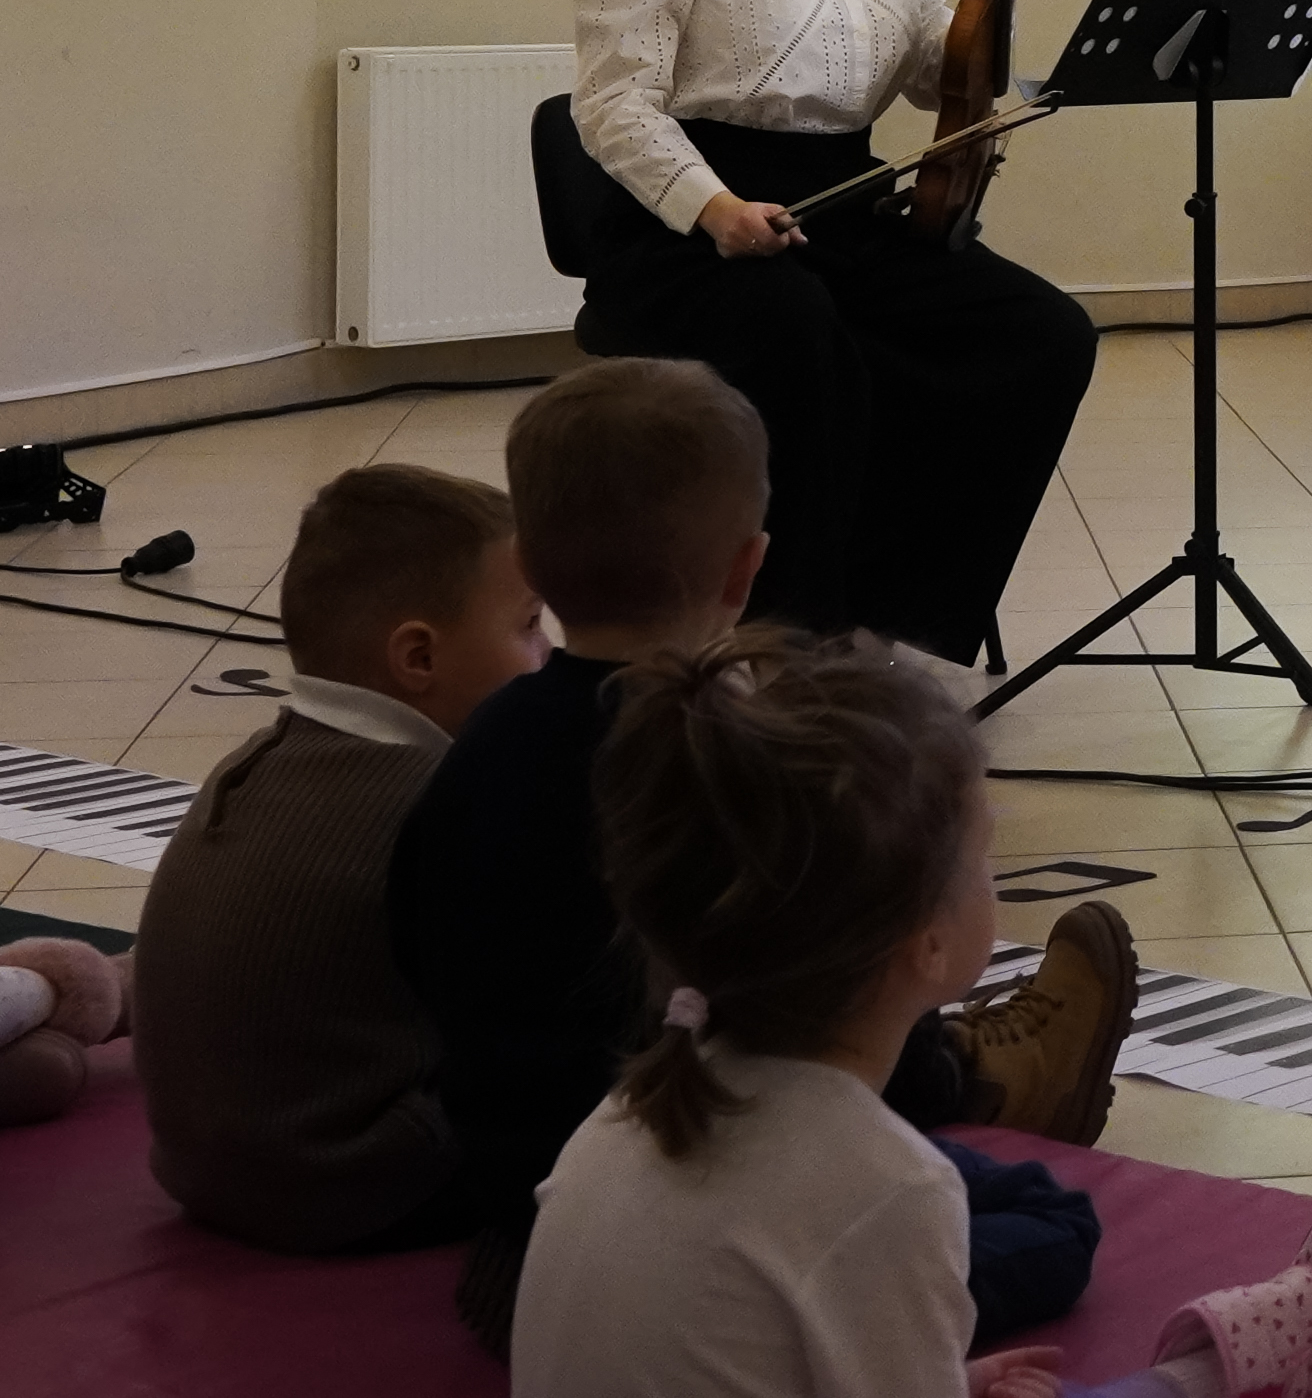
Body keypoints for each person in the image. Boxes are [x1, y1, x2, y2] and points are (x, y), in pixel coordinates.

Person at [521, 624, 1312, 1398]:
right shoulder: (882, 1189)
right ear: (923, 942)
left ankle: (1283, 1348)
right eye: (985, 853)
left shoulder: (637, 1109)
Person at [390, 358, 1138, 1350]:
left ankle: (977, 1079)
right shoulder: (737, 766)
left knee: (974, 1187)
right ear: (747, 569)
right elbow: (812, 993)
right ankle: (971, 1076)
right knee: (1051, 1220)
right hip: (711, 1183)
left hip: (533, 1212)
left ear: (527, 558)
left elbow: (415, 940)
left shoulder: (481, 741)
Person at [569, 0, 1097, 658]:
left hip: (842, 203)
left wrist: (988, 1)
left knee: (1040, 334)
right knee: (804, 340)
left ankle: (889, 606)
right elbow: (613, 104)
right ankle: (786, 635)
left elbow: (927, 81)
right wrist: (716, 209)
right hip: (698, 226)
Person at [132, 465, 548, 1251]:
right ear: (417, 657)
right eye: (528, 624)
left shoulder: (253, 759)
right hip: (356, 1184)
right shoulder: (440, 797)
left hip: (204, 1167)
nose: (548, 652)